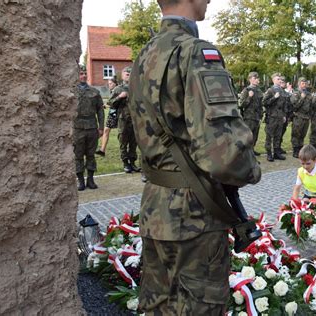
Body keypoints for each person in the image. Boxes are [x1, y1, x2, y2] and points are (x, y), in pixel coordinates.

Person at [128, 1, 261, 314]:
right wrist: (251, 170)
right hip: (194, 215)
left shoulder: (144, 55)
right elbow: (224, 155)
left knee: (159, 306)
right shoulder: (197, 52)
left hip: (155, 206)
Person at [74, 66, 104, 191]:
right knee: (78, 155)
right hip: (77, 128)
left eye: (85, 73)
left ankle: (90, 180)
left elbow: (100, 111)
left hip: (92, 127)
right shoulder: (71, 92)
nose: (84, 75)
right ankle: (80, 181)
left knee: (91, 154)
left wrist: (101, 127)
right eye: (81, 73)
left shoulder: (95, 92)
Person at [108, 66, 140, 173]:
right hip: (123, 120)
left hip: (135, 120)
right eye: (127, 74)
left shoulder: (136, 88)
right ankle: (125, 163)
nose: (129, 76)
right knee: (123, 141)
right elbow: (110, 103)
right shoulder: (118, 89)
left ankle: (133, 162)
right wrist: (119, 97)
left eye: (131, 74)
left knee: (133, 142)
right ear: (122, 75)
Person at [263, 73, 287, 161]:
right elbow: (264, 102)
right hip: (272, 117)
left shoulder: (282, 91)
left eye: (280, 79)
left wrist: (284, 115)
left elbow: (284, 104)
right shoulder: (270, 90)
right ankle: (269, 154)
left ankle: (276, 153)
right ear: (273, 80)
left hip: (280, 117)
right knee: (269, 136)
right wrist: (274, 97)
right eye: (277, 79)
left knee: (278, 135)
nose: (280, 80)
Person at [239, 71, 263, 156]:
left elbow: (260, 105)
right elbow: (241, 104)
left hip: (256, 118)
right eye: (255, 78)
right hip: (249, 118)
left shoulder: (259, 91)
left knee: (255, 136)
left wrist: (261, 116)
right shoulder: (246, 90)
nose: (257, 80)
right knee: (248, 136)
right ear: (250, 79)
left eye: (257, 78)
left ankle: (252, 150)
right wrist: (249, 97)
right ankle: (247, 154)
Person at [96, 77, 118, 157]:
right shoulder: (113, 91)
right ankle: (102, 150)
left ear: (115, 83)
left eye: (111, 83)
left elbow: (114, 102)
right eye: (108, 84)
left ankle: (97, 147)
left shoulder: (117, 90)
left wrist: (106, 105)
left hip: (116, 114)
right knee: (105, 131)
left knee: (105, 131)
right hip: (113, 114)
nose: (109, 85)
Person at [290, 77, 312, 158]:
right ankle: (295, 150)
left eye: (305, 83)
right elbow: (295, 106)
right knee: (296, 134)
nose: (304, 85)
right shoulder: (296, 93)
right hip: (298, 116)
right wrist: (302, 98)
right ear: (299, 84)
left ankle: (300, 148)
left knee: (303, 134)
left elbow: (311, 106)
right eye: (303, 83)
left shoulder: (308, 94)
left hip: (306, 117)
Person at [279, 76, 293, 154]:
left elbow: (290, 104)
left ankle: (279, 147)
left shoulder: (286, 93)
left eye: (283, 82)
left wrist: (289, 116)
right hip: (278, 116)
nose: (282, 84)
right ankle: (276, 148)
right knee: (277, 134)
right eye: (281, 82)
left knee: (282, 132)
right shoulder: (276, 91)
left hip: (286, 115)